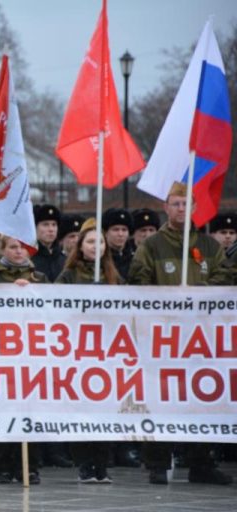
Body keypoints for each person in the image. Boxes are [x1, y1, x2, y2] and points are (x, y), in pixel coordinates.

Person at [128, 182, 231, 486]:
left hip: (201, 339)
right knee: (160, 398)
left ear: (195, 208)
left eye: (187, 204)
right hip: (162, 337)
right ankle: (157, 463)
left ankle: (201, 462)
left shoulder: (210, 247)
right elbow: (138, 281)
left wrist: (201, 294)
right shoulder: (152, 245)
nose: (181, 209)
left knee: (201, 397)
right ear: (166, 207)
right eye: (175, 204)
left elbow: (224, 279)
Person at [55, 219, 121, 484]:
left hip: (106, 352)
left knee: (105, 408)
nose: (97, 246)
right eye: (91, 241)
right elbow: (51, 304)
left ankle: (102, 464)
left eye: (100, 241)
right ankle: (84, 463)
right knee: (79, 409)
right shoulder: (68, 275)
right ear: (80, 246)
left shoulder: (114, 277)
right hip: (76, 352)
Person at [0, 235, 46, 485]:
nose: (19, 251)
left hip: (31, 352)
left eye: (23, 247)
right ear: (2, 249)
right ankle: (2, 464)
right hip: (1, 351)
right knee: (5, 407)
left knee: (31, 410)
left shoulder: (39, 278)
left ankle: (29, 466)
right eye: (13, 247)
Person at [31, 204, 65, 282]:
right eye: (45, 224)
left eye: (54, 225)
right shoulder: (28, 258)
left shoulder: (65, 260)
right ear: (35, 227)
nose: (51, 229)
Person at [102, 207, 134, 280]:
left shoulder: (135, 258)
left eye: (124, 230)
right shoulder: (99, 259)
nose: (120, 234)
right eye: (115, 229)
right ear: (106, 232)